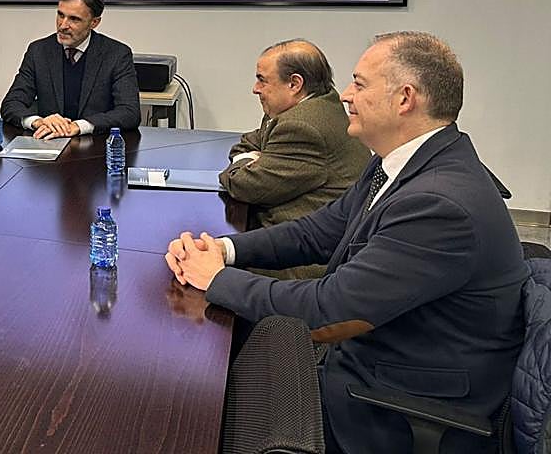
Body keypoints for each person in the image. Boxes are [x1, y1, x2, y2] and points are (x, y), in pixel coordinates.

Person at [165, 32, 527, 454]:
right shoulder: (400, 162)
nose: (345, 96)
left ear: (405, 98)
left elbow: (328, 312)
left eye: (359, 83)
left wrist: (216, 279)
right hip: (374, 358)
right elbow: (319, 231)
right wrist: (225, 250)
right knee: (213, 363)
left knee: (198, 403)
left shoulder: (439, 205)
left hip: (392, 404)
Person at [219, 39, 370, 278]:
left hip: (301, 262)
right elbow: (251, 140)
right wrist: (252, 156)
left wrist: (245, 163)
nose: (255, 89)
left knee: (194, 265)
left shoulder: (303, 126)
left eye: (262, 80)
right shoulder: (315, 103)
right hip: (297, 239)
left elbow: (243, 185)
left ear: (294, 84)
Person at [0, 0, 139, 138]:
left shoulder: (117, 54)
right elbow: (11, 104)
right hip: (47, 142)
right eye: (60, 15)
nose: (63, 25)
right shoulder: (39, 51)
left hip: (95, 144)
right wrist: (38, 122)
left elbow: (129, 112)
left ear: (94, 22)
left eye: (74, 19)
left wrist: (80, 126)